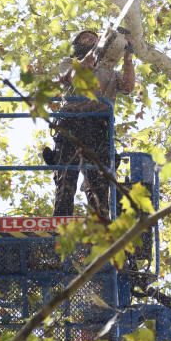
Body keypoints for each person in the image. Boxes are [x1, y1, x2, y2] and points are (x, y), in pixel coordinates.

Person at [45, 29, 135, 219]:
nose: (91, 40)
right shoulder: (68, 64)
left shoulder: (109, 71)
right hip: (71, 125)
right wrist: (91, 55)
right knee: (66, 178)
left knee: (99, 180)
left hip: (98, 128)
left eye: (94, 39)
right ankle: (60, 221)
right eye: (85, 38)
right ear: (76, 45)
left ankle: (100, 222)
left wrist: (128, 58)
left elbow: (128, 86)